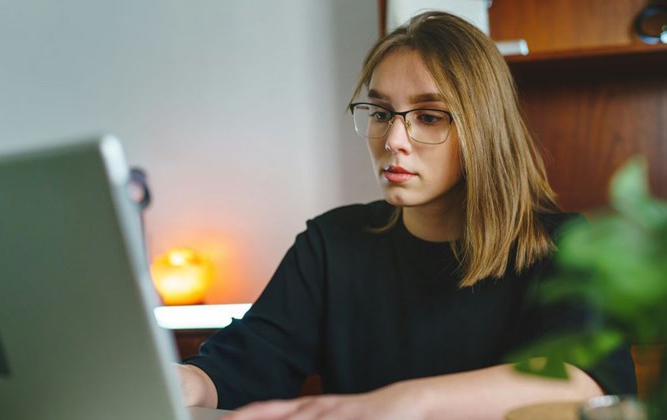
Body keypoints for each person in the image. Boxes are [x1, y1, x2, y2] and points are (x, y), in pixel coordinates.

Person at [176, 11, 636, 420]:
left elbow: (585, 382)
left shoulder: (562, 245)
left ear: (484, 128)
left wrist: (402, 404)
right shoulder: (332, 243)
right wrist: (184, 381)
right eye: (380, 112)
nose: (394, 138)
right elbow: (243, 363)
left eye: (429, 116)